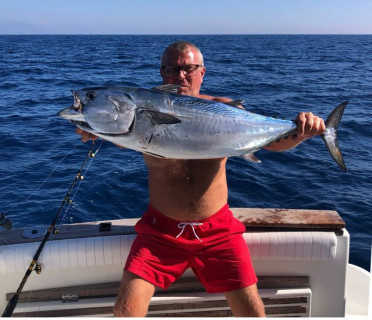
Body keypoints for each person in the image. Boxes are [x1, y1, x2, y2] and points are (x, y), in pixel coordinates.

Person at [77, 41, 325, 317]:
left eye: (188, 69)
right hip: (161, 233)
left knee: (253, 312)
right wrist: (94, 128)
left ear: (202, 72)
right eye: (171, 70)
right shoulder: (137, 116)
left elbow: (272, 144)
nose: (179, 76)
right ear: (162, 73)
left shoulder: (225, 108)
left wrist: (301, 133)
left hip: (218, 232)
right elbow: (118, 132)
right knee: (126, 310)